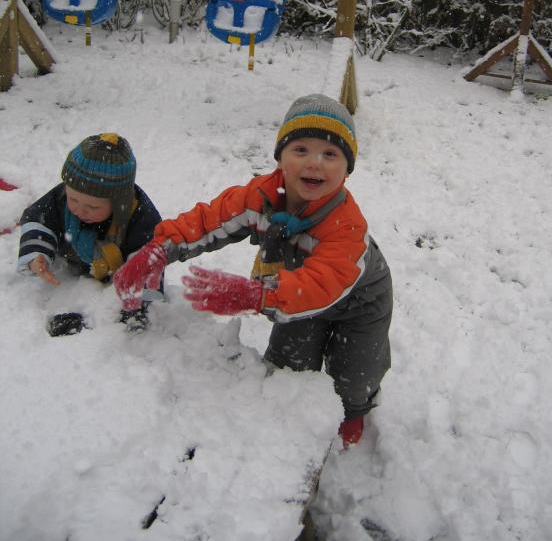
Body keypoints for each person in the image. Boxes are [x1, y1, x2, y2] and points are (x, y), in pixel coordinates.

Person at [113, 95, 393, 446]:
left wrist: (258, 295)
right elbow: (208, 220)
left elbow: (324, 284)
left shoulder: (345, 225)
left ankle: (354, 411)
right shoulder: (260, 196)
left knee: (356, 373)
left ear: (347, 169)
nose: (314, 163)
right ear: (280, 157)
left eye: (331, 154)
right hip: (292, 292)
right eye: (301, 149)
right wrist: (159, 249)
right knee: (287, 366)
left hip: (360, 303)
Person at [18, 133, 162, 332]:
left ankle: (104, 320)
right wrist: (37, 254)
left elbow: (149, 259)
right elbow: (38, 221)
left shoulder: (139, 217)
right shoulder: (62, 198)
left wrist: (136, 300)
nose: (80, 210)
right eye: (73, 199)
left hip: (116, 277)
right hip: (71, 267)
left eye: (93, 207)